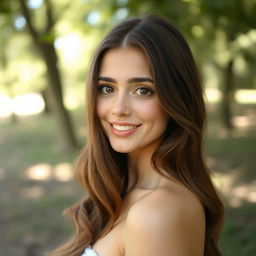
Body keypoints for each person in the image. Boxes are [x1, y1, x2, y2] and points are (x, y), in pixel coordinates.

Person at [48, 15, 224, 256]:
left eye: (143, 90)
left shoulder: (159, 213)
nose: (118, 109)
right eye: (107, 89)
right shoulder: (120, 192)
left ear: (176, 99)